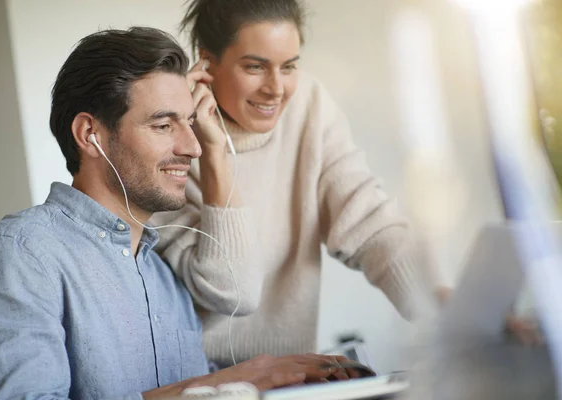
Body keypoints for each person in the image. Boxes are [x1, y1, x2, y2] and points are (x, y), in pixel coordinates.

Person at [0, 27, 358, 400]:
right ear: (89, 135)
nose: (193, 147)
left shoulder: (164, 274)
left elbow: (230, 307)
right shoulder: (19, 255)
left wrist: (283, 380)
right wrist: (221, 382)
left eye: (189, 122)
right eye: (163, 125)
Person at [150, 0, 437, 369]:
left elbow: (368, 219)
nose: (276, 89)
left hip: (290, 374)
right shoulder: (168, 139)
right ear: (207, 64)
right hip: (197, 381)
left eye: (288, 67)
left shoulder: (309, 105)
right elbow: (232, 291)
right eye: (255, 67)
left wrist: (442, 310)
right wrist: (214, 151)